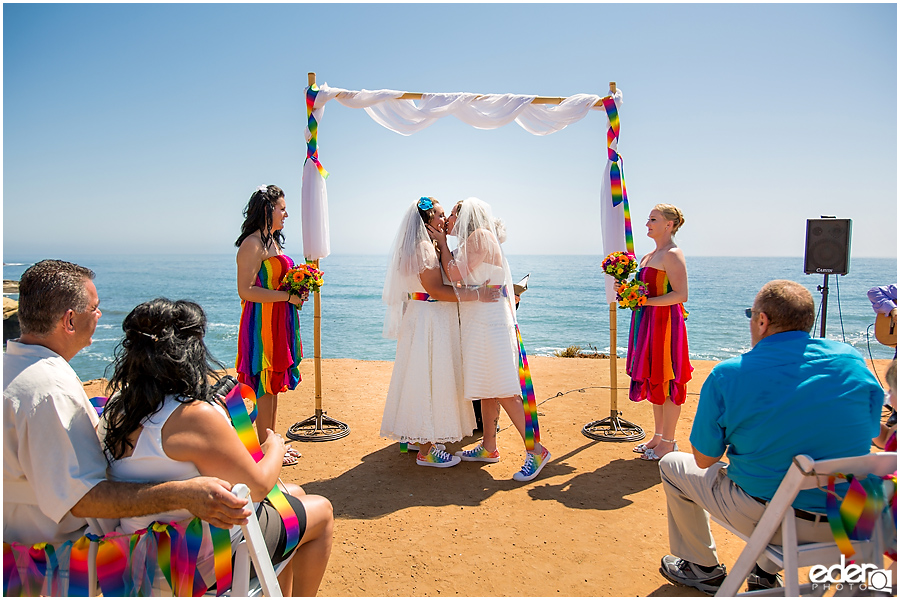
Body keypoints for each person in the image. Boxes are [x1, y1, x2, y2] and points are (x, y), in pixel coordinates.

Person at [4, 260, 251, 550]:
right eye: (94, 308)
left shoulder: (13, 369)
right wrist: (183, 494)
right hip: (69, 554)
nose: (98, 314)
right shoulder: (49, 390)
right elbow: (82, 500)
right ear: (69, 320)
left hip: (14, 541)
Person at [657, 280, 884, 594]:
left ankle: (701, 567)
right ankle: (763, 572)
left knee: (673, 465)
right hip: (850, 520)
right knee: (785, 474)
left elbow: (705, 459)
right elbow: (873, 433)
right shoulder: (851, 362)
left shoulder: (729, 375)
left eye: (752, 315)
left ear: (762, 320)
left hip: (773, 522)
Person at [100, 298, 333, 596]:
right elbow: (259, 486)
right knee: (322, 511)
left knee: (295, 495)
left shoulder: (116, 410)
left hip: (136, 555)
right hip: (195, 565)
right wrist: (274, 445)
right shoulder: (193, 416)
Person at [430, 197, 551, 482]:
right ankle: (489, 446)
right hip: (479, 321)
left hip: (490, 324)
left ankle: (537, 451)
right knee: (486, 387)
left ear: (466, 216)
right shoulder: (470, 242)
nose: (448, 219)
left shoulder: (480, 237)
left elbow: (457, 275)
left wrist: (444, 247)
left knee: (504, 389)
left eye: (453, 214)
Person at [380, 197, 492, 468]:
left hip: (423, 318)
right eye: (440, 216)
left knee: (425, 379)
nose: (444, 221)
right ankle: (426, 451)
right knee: (428, 379)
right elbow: (436, 291)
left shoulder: (421, 247)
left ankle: (425, 439)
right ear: (428, 219)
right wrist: (478, 294)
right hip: (429, 320)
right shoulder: (423, 249)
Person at [235, 184, 305, 464]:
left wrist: (297, 288)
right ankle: (265, 447)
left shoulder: (273, 242)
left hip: (279, 319)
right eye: (282, 209)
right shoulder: (252, 244)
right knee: (264, 383)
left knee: (274, 382)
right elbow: (246, 290)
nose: (286, 215)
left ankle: (270, 440)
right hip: (261, 322)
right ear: (267, 209)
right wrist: (287, 296)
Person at [627, 204, 692, 461]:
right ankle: (657, 436)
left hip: (666, 324)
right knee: (655, 379)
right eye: (648, 219)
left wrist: (646, 302)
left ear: (670, 224)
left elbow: (681, 295)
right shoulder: (648, 256)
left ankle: (669, 442)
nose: (647, 224)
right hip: (647, 323)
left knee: (668, 379)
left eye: (653, 219)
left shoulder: (673, 254)